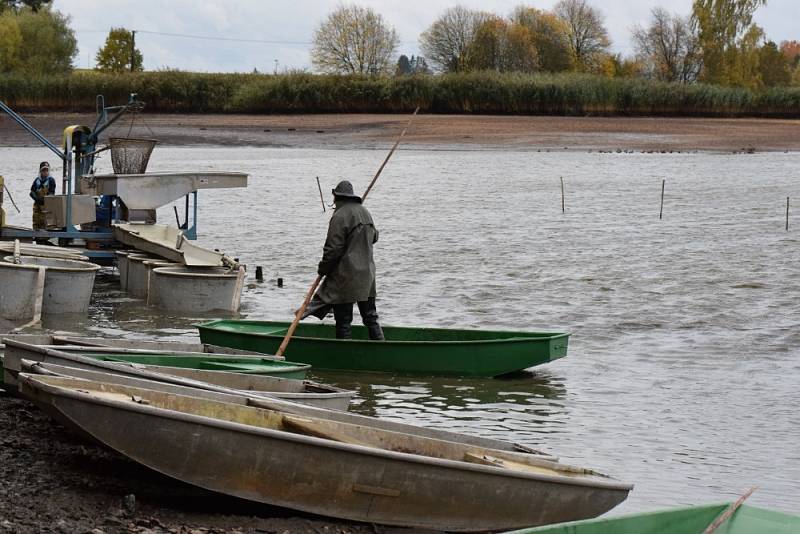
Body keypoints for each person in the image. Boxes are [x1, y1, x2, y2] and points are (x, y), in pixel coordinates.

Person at [305, 180, 384, 340]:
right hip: (367, 276)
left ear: (337, 197)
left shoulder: (340, 216)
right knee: (370, 317)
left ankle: (344, 353)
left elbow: (333, 249)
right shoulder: (365, 212)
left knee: (343, 320)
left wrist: (323, 269)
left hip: (346, 277)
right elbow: (374, 237)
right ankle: (381, 349)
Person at [29, 161, 56, 230]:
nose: (45, 172)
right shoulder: (37, 180)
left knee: (46, 221)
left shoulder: (51, 180)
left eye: (47, 170)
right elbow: (32, 191)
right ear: (40, 171)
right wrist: (36, 198)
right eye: (43, 170)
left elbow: (52, 193)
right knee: (36, 220)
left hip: (46, 205)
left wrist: (44, 200)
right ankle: (36, 235)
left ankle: (46, 237)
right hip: (37, 204)